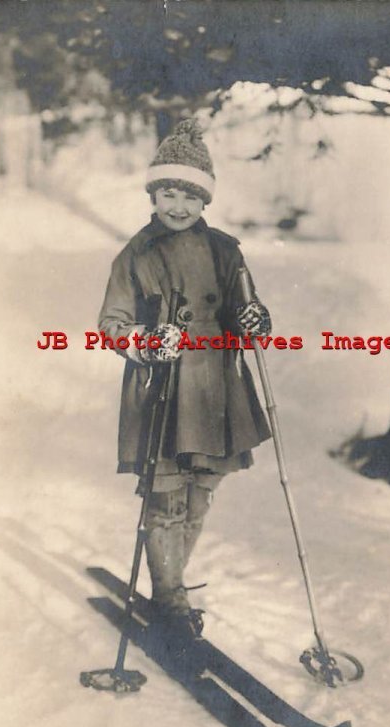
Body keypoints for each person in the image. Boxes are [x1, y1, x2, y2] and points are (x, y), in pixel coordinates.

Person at [98, 118, 271, 630]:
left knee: (201, 491)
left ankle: (171, 581)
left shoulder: (225, 250)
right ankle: (170, 597)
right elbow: (112, 324)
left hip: (215, 389)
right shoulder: (137, 254)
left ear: (205, 201)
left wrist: (253, 318)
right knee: (166, 493)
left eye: (190, 196)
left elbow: (246, 311)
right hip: (164, 392)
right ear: (154, 194)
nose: (178, 206)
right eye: (168, 193)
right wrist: (145, 342)